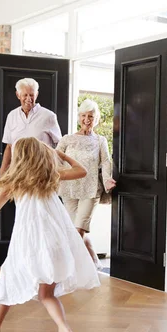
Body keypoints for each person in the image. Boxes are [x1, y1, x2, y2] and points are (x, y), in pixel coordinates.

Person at [0, 137, 100, 332]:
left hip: (29, 243)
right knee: (47, 294)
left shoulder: (14, 181)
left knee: (8, 282)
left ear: (19, 158)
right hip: (55, 243)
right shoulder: (51, 175)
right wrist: (60, 155)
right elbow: (82, 170)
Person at [57, 99, 116, 268]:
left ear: (95, 119)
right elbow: (56, 159)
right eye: (83, 115)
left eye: (90, 116)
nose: (87, 119)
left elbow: (105, 162)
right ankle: (95, 264)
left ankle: (72, 267)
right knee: (75, 228)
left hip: (90, 189)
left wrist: (106, 180)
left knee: (79, 229)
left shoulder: (100, 141)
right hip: (69, 189)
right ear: (79, 117)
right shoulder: (67, 139)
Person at [0, 78, 62, 175]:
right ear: (18, 95)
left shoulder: (49, 116)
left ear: (36, 95)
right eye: (25, 95)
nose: (29, 99)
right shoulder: (12, 116)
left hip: (41, 173)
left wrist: (53, 170)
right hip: (17, 174)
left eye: (32, 95)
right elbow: (9, 146)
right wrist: (2, 173)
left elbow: (59, 145)